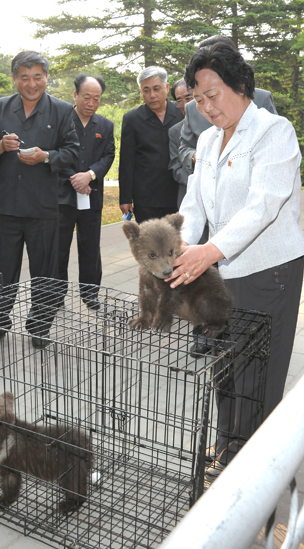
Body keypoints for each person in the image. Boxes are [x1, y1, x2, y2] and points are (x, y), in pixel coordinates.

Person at [168, 42, 304, 478]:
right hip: (224, 271)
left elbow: (262, 205)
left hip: (269, 272)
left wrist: (209, 250)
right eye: (198, 98)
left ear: (241, 85)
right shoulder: (207, 140)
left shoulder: (273, 131)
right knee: (227, 366)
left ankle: (254, 470)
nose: (207, 106)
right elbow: (193, 205)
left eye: (214, 94)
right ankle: (228, 443)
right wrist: (179, 246)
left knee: (258, 375)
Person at [0, 51, 79, 349]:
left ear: (46, 78)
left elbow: (72, 151)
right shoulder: (0, 108)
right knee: (1, 270)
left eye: (38, 77)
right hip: (8, 206)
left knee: (44, 271)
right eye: (24, 77)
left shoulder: (61, 110)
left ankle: (39, 325)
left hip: (44, 207)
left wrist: (46, 156)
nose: (31, 83)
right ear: (14, 78)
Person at [178, 35, 277, 175]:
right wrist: (199, 158)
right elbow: (184, 148)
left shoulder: (263, 100)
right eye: (200, 100)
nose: (208, 107)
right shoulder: (192, 109)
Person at [57, 74, 115, 310]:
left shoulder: (105, 125)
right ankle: (56, 294)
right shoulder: (60, 120)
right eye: (86, 97)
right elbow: (55, 152)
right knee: (58, 248)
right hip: (62, 195)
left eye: (96, 98)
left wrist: (89, 175)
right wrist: (75, 178)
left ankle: (90, 293)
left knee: (90, 246)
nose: (91, 103)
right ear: (75, 95)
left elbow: (108, 156)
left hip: (91, 195)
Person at [118, 66, 183, 223]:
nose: (152, 95)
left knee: (179, 244)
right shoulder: (132, 119)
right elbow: (126, 161)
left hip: (179, 194)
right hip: (146, 198)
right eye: (146, 90)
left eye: (156, 88)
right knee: (150, 245)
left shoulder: (181, 113)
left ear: (166, 88)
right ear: (141, 91)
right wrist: (125, 198)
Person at [168, 79, 194, 208]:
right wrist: (195, 182)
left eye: (188, 98)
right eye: (179, 100)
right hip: (188, 198)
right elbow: (176, 167)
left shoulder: (218, 124)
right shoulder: (174, 131)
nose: (184, 105)